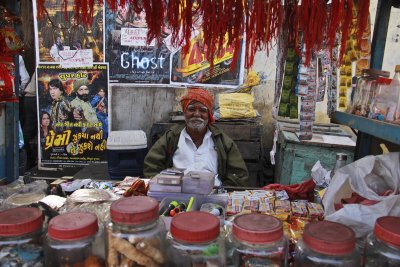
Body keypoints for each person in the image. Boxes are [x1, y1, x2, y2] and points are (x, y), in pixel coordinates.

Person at [143, 88, 249, 187]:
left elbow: (238, 175)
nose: (197, 114)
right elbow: (151, 166)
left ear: (209, 114)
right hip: (177, 195)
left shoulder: (222, 141)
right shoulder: (172, 137)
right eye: (191, 109)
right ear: (184, 112)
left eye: (202, 110)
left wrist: (221, 192)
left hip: (212, 196)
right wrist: (165, 188)